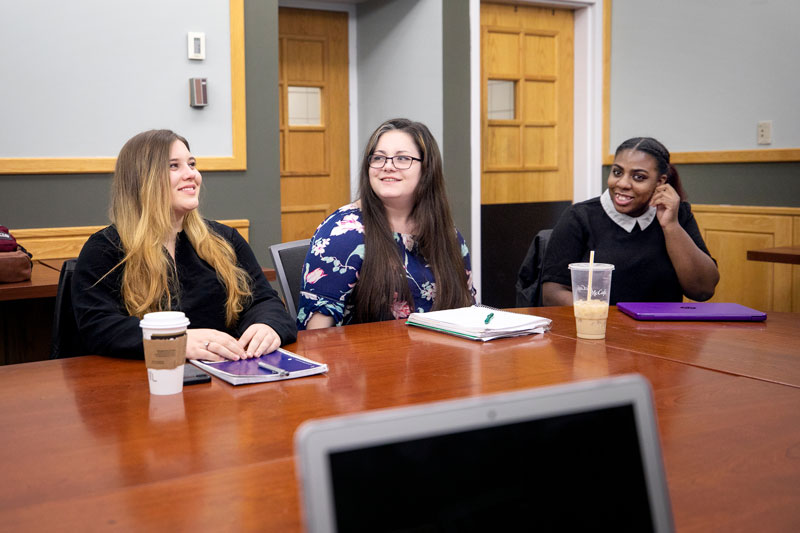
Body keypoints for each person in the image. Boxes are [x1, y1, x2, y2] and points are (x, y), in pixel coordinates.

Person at [72, 129, 296, 360]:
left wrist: (268, 326)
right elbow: (98, 328)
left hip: (227, 375)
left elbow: (264, 301)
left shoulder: (224, 239)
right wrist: (174, 341)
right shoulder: (105, 248)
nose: (191, 174)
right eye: (173, 166)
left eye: (191, 164)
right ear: (142, 179)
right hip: (149, 379)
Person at [297, 118, 475, 329]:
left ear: (427, 168)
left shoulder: (448, 235)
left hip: (439, 358)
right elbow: (316, 336)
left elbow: (467, 312)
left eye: (402, 158)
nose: (388, 166)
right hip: (364, 360)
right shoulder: (343, 233)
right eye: (379, 158)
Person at [541, 136, 719, 306]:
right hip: (600, 329)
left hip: (664, 333)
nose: (623, 183)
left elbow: (702, 290)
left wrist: (670, 226)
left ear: (660, 182)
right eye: (617, 172)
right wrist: (603, 317)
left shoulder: (678, 215)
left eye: (638, 177)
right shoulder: (579, 217)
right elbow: (552, 294)